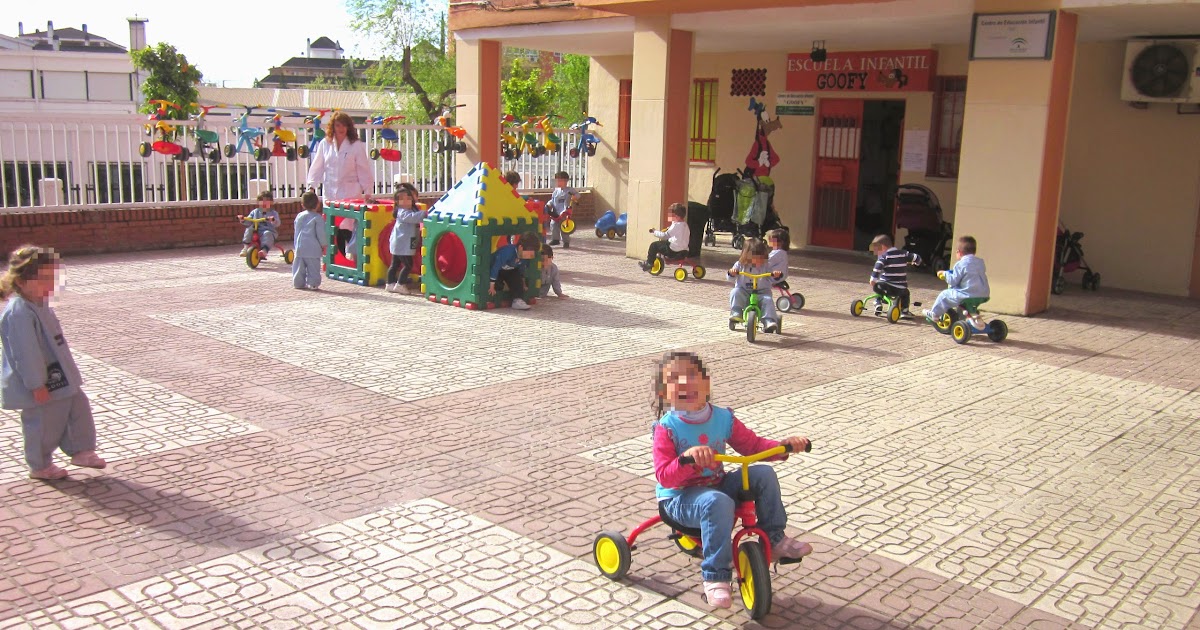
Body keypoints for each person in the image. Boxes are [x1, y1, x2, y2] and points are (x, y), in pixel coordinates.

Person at [651, 351, 811, 609]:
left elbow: (753, 445)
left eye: (692, 376)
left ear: (706, 383)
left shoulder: (722, 418)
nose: (685, 383)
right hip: (680, 498)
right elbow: (664, 476)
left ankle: (774, 539)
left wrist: (783, 447)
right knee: (716, 501)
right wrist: (687, 459)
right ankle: (715, 576)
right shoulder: (667, 427)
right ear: (663, 394)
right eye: (674, 379)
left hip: (717, 487)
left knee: (762, 474)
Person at [1, 246, 106, 481]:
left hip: (60, 375)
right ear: (23, 281)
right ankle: (40, 464)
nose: (52, 285)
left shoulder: (40, 304)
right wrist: (36, 384)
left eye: (54, 278)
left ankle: (81, 449)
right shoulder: (19, 313)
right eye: (45, 279)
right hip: (39, 381)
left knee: (78, 407)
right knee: (43, 422)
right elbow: (25, 352)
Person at [305, 111, 375, 261]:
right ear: (333, 126)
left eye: (344, 125)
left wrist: (367, 190)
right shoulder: (325, 144)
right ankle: (336, 258)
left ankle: (352, 256)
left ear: (349, 127)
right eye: (338, 125)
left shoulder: (356, 145)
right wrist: (312, 185)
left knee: (348, 224)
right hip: (330, 190)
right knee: (332, 225)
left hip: (350, 190)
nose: (341, 128)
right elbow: (318, 166)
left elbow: (363, 169)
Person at [925, 235, 990, 323]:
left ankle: (934, 314)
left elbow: (953, 281)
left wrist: (945, 274)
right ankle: (970, 316)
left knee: (944, 295)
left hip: (967, 295)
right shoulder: (980, 262)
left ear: (958, 252)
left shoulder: (960, 264)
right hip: (983, 294)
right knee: (966, 301)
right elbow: (970, 274)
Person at [727, 238, 780, 333]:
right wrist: (732, 273)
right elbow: (730, 278)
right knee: (735, 292)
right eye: (756, 257)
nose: (760, 260)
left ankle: (768, 320)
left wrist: (775, 275)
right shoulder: (740, 265)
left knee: (767, 300)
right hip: (744, 291)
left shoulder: (766, 266)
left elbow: (772, 278)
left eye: (762, 257)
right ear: (747, 255)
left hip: (761, 292)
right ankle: (736, 313)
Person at [869, 234, 921, 318]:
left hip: (885, 286)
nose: (876, 253)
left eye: (876, 250)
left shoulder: (884, 257)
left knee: (878, 286)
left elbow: (877, 268)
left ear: (883, 247)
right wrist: (917, 262)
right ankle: (904, 311)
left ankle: (878, 302)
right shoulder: (903, 254)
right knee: (906, 293)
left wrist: (873, 279)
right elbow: (916, 257)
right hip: (900, 288)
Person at [386, 183, 426, 294]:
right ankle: (400, 284)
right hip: (402, 243)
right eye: (402, 200)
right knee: (408, 265)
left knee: (395, 264)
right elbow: (412, 218)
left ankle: (390, 283)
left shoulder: (411, 210)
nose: (407, 201)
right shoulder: (402, 212)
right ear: (397, 202)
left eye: (409, 199)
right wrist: (425, 214)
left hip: (400, 243)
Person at [489, 232, 540, 311]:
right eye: (528, 254)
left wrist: (523, 284)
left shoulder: (524, 258)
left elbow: (521, 270)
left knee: (516, 280)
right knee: (498, 285)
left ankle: (517, 300)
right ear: (520, 247)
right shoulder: (507, 252)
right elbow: (495, 267)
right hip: (498, 270)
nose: (528, 256)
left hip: (510, 270)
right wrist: (492, 285)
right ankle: (497, 294)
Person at [639, 203, 691, 272]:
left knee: (654, 245)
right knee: (665, 243)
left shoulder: (676, 225)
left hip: (674, 251)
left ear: (676, 216)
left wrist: (654, 232)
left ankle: (649, 263)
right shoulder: (685, 225)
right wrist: (669, 227)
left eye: (670, 215)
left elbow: (665, 236)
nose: (669, 217)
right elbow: (676, 234)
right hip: (684, 251)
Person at [292, 191, 325, 290]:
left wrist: (295, 244)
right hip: (313, 248)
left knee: (298, 266)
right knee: (313, 267)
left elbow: (296, 230)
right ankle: (313, 283)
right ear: (318, 204)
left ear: (302, 205)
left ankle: (298, 283)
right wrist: (324, 244)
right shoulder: (317, 218)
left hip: (300, 246)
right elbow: (321, 233)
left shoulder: (299, 216)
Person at [238, 191, 279, 257]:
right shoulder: (255, 212)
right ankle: (245, 247)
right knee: (249, 229)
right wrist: (243, 219)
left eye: (267, 201)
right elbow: (249, 220)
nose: (264, 203)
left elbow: (277, 223)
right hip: (256, 230)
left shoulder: (273, 213)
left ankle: (264, 250)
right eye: (262, 201)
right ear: (258, 202)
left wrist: (273, 220)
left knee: (267, 234)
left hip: (268, 231)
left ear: (271, 202)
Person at [547, 170, 579, 248]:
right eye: (557, 180)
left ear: (566, 181)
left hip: (565, 212)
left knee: (564, 227)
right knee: (553, 224)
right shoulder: (556, 192)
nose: (558, 182)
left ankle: (566, 241)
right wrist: (549, 204)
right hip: (556, 211)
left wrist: (575, 197)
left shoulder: (569, 190)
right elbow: (552, 200)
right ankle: (555, 239)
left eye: (560, 180)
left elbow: (577, 194)